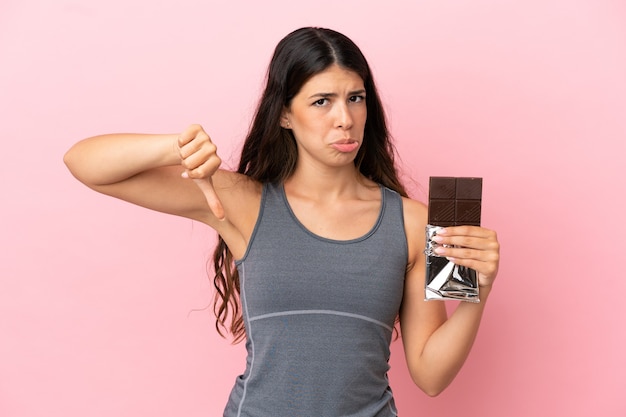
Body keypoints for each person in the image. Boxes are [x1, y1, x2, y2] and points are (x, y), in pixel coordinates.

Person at [64, 27, 500, 417]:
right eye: (321, 101)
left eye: (355, 98)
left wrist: (477, 292)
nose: (344, 119)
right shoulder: (242, 202)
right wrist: (174, 148)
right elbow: (83, 162)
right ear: (285, 114)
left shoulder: (414, 223)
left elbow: (430, 376)